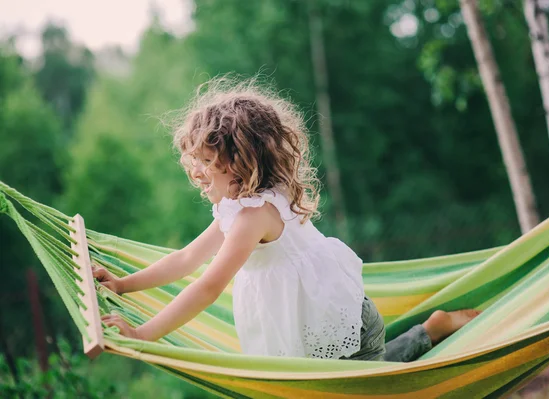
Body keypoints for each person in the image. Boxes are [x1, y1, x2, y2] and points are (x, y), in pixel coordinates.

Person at [95, 77, 480, 362]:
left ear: (240, 163)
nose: (199, 174)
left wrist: (144, 333)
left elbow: (209, 286)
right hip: (308, 327)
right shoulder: (238, 208)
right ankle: (431, 330)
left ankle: (431, 333)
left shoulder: (255, 215)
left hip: (344, 326)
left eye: (208, 165)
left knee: (375, 391)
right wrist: (125, 285)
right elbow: (186, 259)